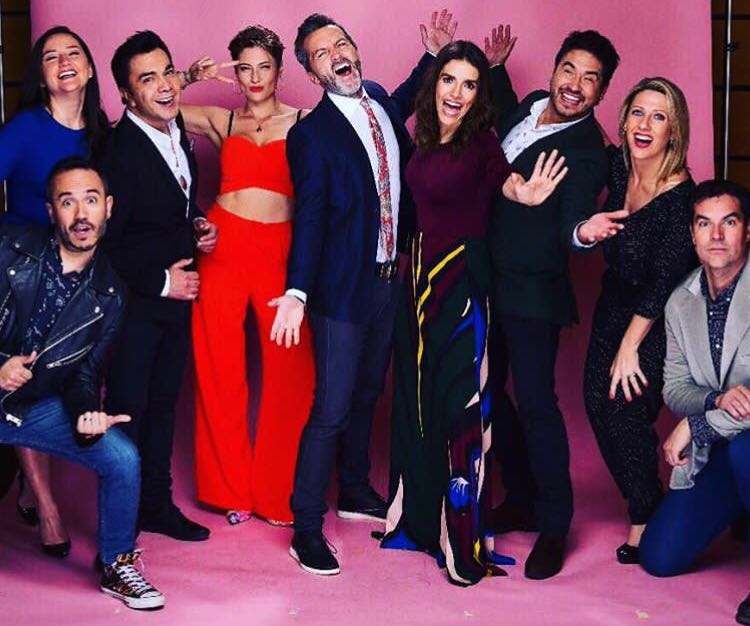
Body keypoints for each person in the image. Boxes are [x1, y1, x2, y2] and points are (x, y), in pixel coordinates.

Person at [269, 10, 456, 576]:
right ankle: (306, 529)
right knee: (331, 407)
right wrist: (297, 291)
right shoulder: (309, 135)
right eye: (323, 53)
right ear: (312, 73)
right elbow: (310, 216)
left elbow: (405, 98)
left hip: (390, 280)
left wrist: (434, 58)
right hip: (341, 289)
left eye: (342, 43)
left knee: (369, 391)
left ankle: (352, 489)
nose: (338, 54)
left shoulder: (380, 103)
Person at [381, 39, 568, 586]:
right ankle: (419, 520)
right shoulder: (423, 134)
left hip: (461, 281)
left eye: (469, 84)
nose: (457, 93)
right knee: (418, 399)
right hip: (418, 279)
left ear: (479, 94)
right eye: (449, 80)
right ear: (435, 83)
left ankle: (461, 537)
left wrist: (525, 193)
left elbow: (505, 180)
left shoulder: (482, 142)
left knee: (460, 406)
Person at [485, 29, 623, 579]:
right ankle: (520, 496)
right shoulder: (532, 104)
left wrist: (583, 233)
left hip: (533, 289)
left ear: (600, 92)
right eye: (570, 69)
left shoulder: (587, 152)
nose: (575, 84)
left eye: (590, 79)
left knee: (536, 403)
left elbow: (574, 213)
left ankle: (554, 524)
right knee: (486, 393)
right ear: (555, 68)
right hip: (487, 275)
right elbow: (504, 129)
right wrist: (496, 70)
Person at [0, 157, 164, 610]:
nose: (80, 214)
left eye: (90, 201)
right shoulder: (8, 248)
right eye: (67, 202)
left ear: (108, 207)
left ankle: (117, 565)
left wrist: (88, 414)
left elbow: (85, 375)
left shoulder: (110, 293)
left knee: (121, 457)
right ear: (51, 210)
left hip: (27, 408)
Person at [176, 25, 315, 526]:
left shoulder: (304, 122)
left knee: (291, 371)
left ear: (280, 70)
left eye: (264, 67)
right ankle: (228, 489)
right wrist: (188, 76)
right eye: (244, 68)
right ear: (234, 73)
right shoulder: (223, 119)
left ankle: (279, 494)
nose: (254, 77)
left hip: (280, 247)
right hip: (223, 244)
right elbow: (156, 105)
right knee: (218, 364)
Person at [99, 30, 218, 542]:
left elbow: (171, 202)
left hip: (176, 301)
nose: (166, 85)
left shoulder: (174, 130)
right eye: (148, 79)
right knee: (128, 410)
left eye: (167, 71)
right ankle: (118, 527)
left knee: (165, 402)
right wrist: (163, 280)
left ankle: (155, 505)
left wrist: (197, 225)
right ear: (127, 96)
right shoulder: (115, 154)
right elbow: (102, 246)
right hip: (134, 305)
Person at [0, 25, 110, 558]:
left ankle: (31, 480)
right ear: (41, 77)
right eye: (50, 56)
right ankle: (47, 507)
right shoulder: (25, 128)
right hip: (21, 274)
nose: (64, 61)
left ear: (89, 68)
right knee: (28, 379)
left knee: (73, 378)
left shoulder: (102, 134)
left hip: (81, 273)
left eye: (74, 52)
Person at [583, 77, 695, 564]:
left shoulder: (681, 199)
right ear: (625, 119)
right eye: (638, 113)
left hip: (660, 318)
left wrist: (629, 347)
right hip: (613, 305)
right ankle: (648, 495)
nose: (645, 125)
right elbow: (579, 122)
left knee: (624, 410)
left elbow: (662, 285)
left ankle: (646, 513)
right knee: (595, 402)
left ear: (674, 131)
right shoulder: (618, 166)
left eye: (659, 116)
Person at [636, 180, 750, 626]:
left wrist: (697, 424)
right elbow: (675, 388)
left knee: (745, 450)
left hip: (743, 447)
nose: (716, 236)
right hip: (720, 456)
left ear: (747, 231)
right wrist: (716, 399)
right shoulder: (680, 302)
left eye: (729, 223)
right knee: (659, 556)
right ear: (692, 234)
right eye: (704, 224)